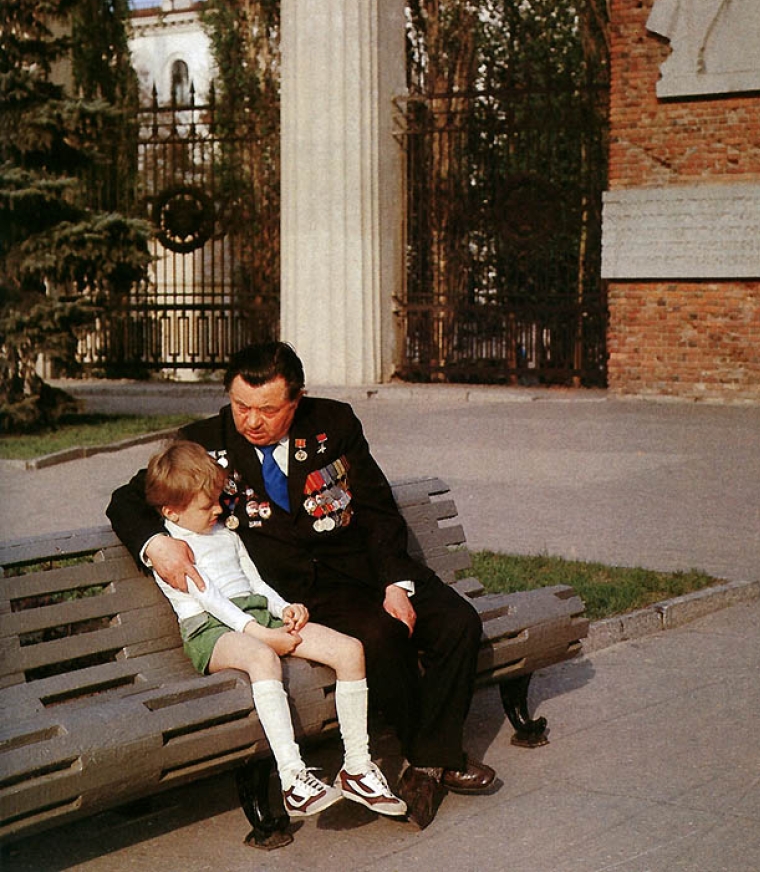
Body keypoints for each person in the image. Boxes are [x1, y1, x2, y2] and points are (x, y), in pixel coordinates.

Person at [107, 340, 495, 830]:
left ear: (297, 399)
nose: (251, 421)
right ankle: (434, 758)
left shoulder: (334, 423)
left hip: (366, 566)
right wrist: (155, 545)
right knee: (380, 638)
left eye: (268, 410)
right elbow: (126, 499)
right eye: (241, 405)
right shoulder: (206, 441)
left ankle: (429, 760)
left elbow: (376, 506)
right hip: (299, 594)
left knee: (460, 622)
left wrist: (396, 583)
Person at [143, 439, 406, 822]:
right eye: (207, 505)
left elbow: (256, 584)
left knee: (350, 650)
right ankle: (293, 779)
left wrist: (285, 609)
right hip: (211, 630)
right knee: (263, 657)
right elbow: (209, 598)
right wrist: (260, 634)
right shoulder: (170, 548)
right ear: (172, 512)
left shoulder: (226, 535)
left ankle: (357, 767)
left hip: (254, 618)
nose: (218, 509)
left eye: (217, 499)